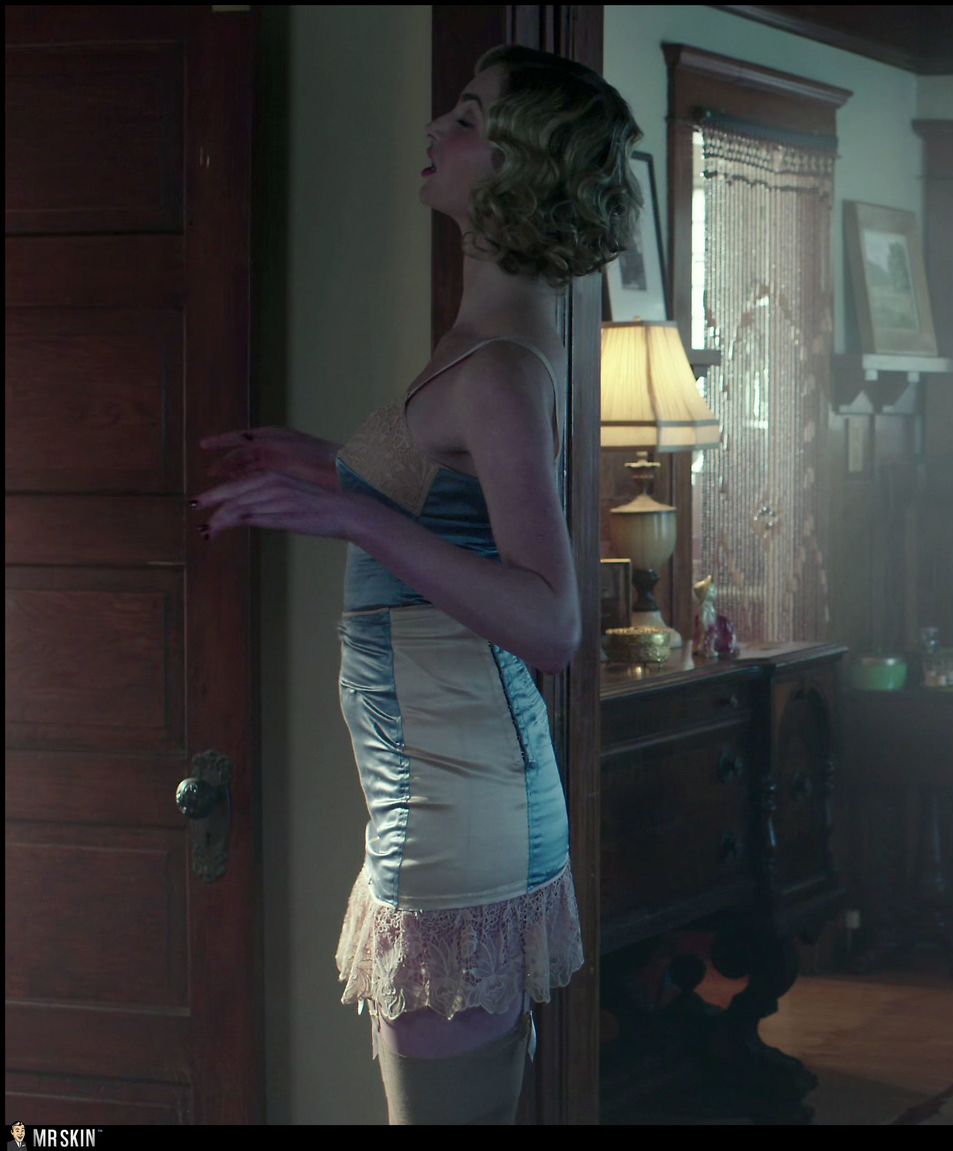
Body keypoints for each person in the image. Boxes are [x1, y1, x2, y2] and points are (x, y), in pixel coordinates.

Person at [192, 44, 644, 1124]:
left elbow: (551, 620)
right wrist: (329, 466)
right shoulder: (483, 337)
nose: (437, 129)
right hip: (438, 784)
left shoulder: (499, 365)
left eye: (469, 118)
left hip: (458, 800)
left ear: (520, 168)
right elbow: (446, 494)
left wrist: (352, 514)